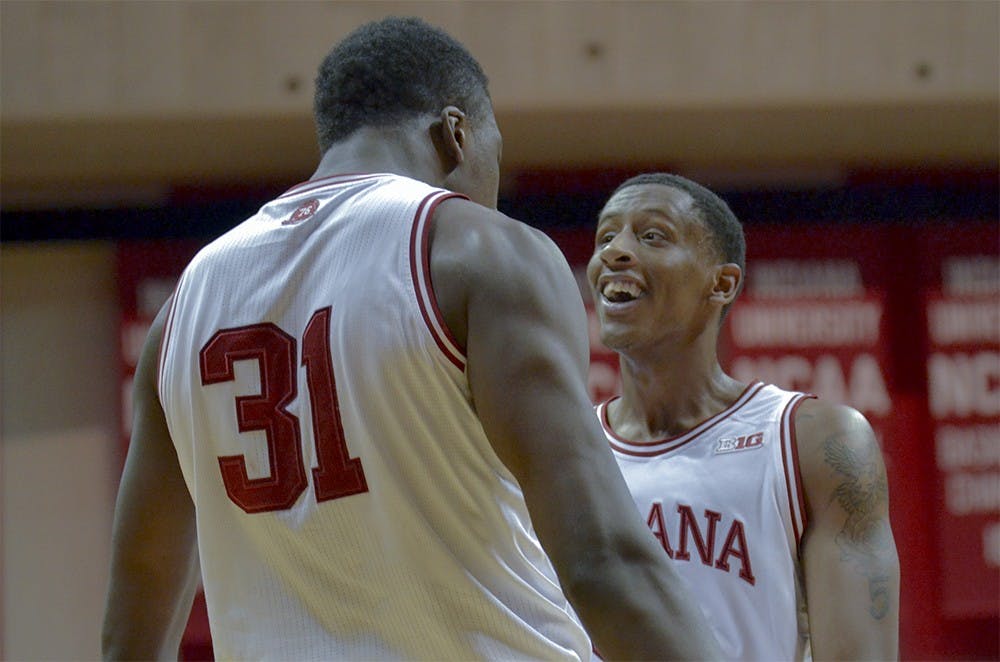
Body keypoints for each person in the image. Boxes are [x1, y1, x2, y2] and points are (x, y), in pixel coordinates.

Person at [101, 18, 721, 661]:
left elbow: (134, 620)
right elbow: (602, 560)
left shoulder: (184, 307)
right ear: (456, 135)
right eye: (495, 158)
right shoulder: (478, 251)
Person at [586, 172, 900, 660]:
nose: (614, 252)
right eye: (606, 236)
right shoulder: (563, 449)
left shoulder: (812, 441)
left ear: (722, 283)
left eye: (652, 236)